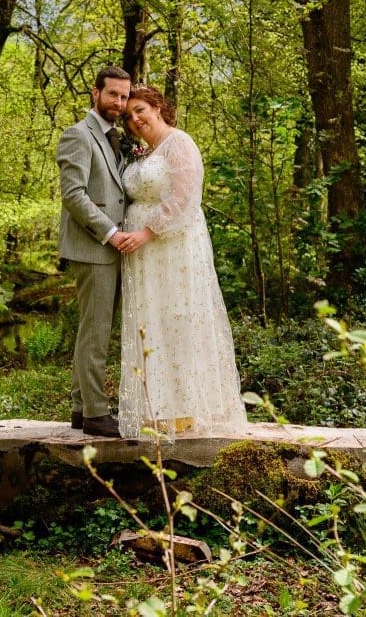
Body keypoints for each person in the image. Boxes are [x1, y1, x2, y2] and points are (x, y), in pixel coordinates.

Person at [115, 85, 248, 440]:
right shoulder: (144, 153)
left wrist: (145, 232)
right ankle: (155, 409)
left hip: (172, 246)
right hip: (141, 255)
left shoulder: (180, 144)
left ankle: (185, 410)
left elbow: (183, 198)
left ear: (158, 107)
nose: (135, 119)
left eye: (140, 109)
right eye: (128, 116)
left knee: (177, 317)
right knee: (150, 319)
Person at [57, 66, 132, 437]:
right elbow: (73, 195)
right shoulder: (78, 135)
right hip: (94, 247)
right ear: (95, 93)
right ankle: (96, 414)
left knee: (93, 330)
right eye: (112, 94)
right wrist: (110, 233)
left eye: (124, 96)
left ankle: (79, 406)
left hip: (111, 250)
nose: (119, 102)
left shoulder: (115, 137)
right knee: (96, 333)